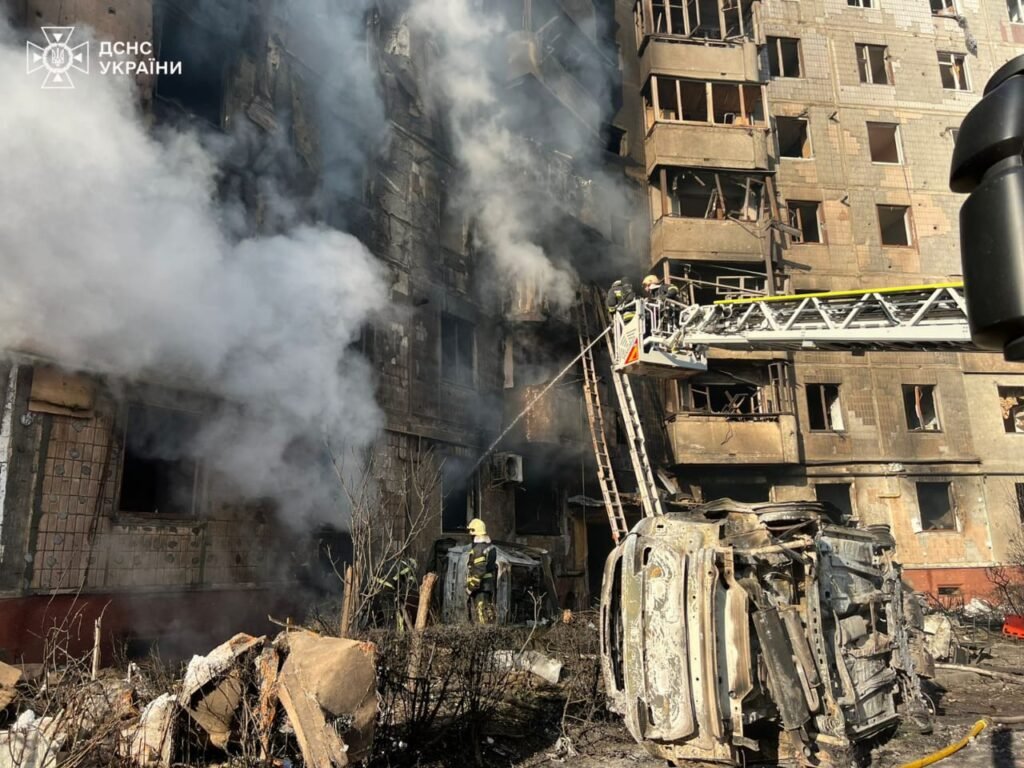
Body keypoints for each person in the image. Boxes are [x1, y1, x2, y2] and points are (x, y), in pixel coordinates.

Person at [465, 518, 497, 624]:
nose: (470, 535)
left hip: (480, 587)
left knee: (481, 615)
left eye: (471, 532)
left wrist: (470, 587)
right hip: (488, 585)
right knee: (489, 613)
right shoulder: (491, 547)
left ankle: (483, 633)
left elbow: (479, 571)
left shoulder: (478, 549)